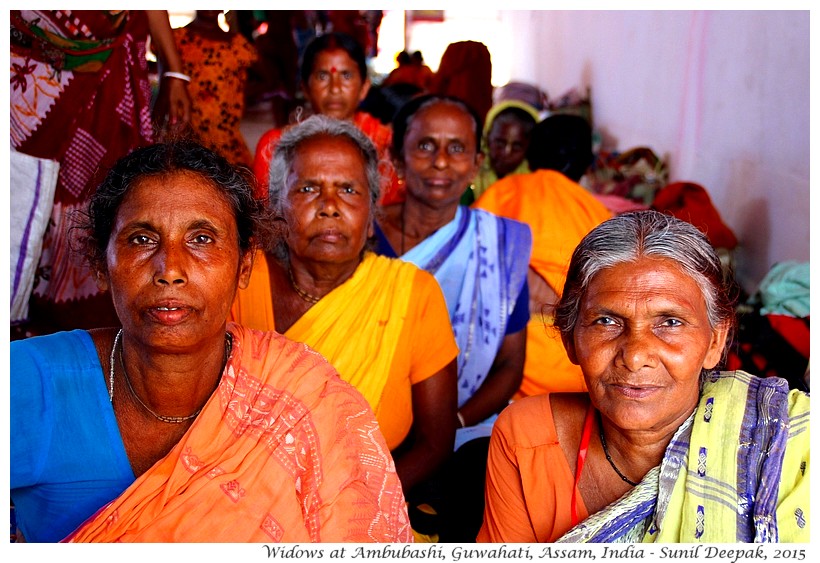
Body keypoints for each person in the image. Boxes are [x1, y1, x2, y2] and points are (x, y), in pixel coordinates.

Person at [10, 140, 412, 543]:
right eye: (141, 239)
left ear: (244, 267)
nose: (170, 269)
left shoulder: (303, 397)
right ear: (102, 265)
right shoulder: (28, 382)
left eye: (201, 239)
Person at [478, 210, 810, 543]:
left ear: (715, 342)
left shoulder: (790, 446)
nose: (635, 356)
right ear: (570, 340)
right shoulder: (527, 439)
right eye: (606, 321)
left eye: (670, 322)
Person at [232, 115, 459, 500]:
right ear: (276, 209)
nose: (330, 207)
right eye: (308, 188)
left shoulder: (412, 292)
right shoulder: (237, 280)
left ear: (371, 218)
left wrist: (354, 504)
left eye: (349, 190)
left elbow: (435, 444)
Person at [374, 94, 532, 541]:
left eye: (457, 147)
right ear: (397, 157)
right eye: (425, 146)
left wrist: (449, 424)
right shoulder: (360, 234)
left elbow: (509, 365)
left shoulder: (498, 247)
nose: (441, 161)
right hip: (362, 419)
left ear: (477, 160)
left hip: (459, 428)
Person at [10, 10, 192, 337]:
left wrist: (173, 72)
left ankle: (85, 331)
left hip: (109, 72)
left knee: (104, 197)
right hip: (25, 69)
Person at [474, 116, 612, 398]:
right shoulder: (597, 214)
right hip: (577, 372)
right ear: (586, 162)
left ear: (530, 152)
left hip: (501, 369)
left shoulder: (503, 193)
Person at [253, 32, 395, 201]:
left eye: (346, 75)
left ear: (364, 87)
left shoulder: (385, 144)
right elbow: (264, 218)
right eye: (322, 76)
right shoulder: (275, 147)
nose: (335, 88)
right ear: (305, 87)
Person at [171, 10, 259, 167]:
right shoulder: (176, 39)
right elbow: (167, 80)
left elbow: (269, 79)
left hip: (226, 140)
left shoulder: (237, 44)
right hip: (187, 135)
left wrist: (236, 96)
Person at [463, 100, 540, 205]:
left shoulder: (535, 186)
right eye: (500, 143)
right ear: (487, 137)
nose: (506, 153)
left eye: (517, 146)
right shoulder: (468, 173)